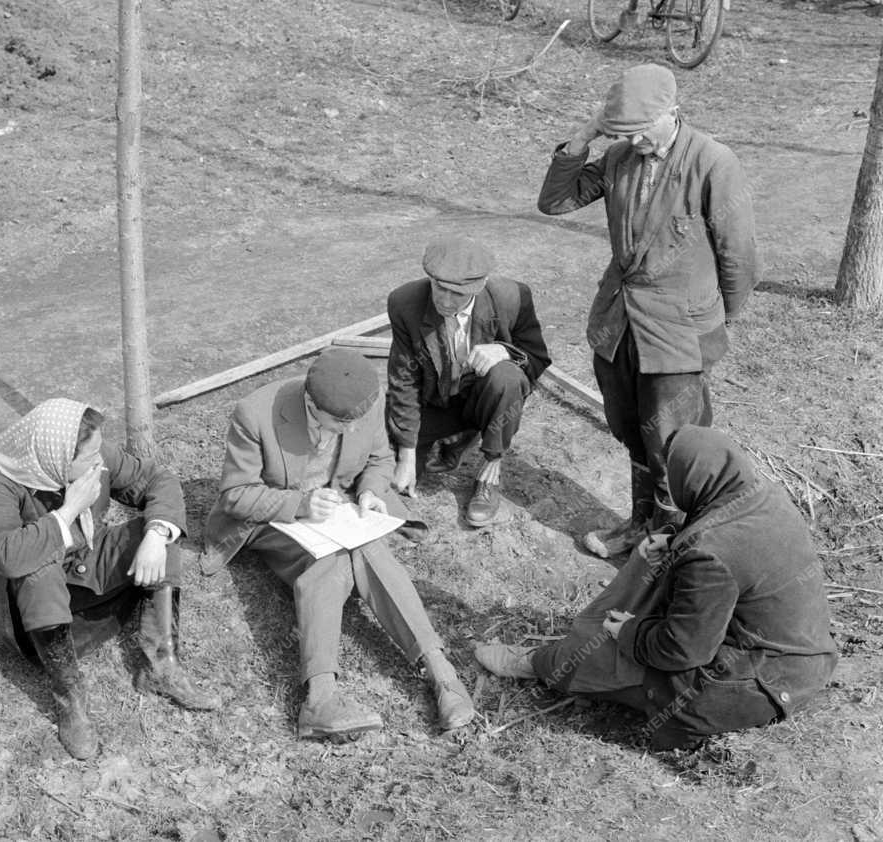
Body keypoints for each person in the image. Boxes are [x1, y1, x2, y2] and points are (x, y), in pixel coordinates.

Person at [474, 425, 837, 751]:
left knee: (598, 657)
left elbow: (681, 651)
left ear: (691, 481)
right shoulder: (764, 496)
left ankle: (538, 664)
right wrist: (678, 541)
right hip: (808, 658)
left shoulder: (711, 555)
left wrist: (628, 632)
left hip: (761, 684)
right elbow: (738, 551)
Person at [537, 63, 759, 558]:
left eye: (639, 129)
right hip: (620, 324)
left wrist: (715, 322)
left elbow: (737, 253)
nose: (633, 139)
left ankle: (678, 545)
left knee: (674, 444)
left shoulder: (712, 162)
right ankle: (642, 525)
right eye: (621, 130)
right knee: (632, 429)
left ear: (672, 114)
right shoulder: (617, 155)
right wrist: (588, 133)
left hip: (679, 332)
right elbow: (554, 202)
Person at [202, 349, 475, 740]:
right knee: (329, 561)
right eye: (337, 424)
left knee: (367, 549)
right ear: (310, 404)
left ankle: (441, 674)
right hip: (275, 516)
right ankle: (320, 698)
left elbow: (380, 458)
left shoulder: (365, 400)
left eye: (354, 423)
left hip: (338, 509)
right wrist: (299, 504)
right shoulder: (255, 413)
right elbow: (236, 494)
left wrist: (368, 490)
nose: (348, 431)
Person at [0, 398, 218, 760]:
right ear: (58, 456)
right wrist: (68, 512)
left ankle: (161, 664)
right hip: (4, 591)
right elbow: (8, 557)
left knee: (158, 533)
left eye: (98, 452)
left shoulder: (90, 450)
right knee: (37, 564)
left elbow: (158, 479)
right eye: (88, 458)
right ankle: (70, 697)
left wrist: (157, 535)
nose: (99, 462)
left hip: (75, 560)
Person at [386, 234, 551, 527]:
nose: (445, 301)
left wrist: (504, 350)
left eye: (457, 294)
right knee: (386, 463)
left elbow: (537, 360)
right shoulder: (405, 303)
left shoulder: (512, 298)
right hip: (436, 402)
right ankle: (454, 440)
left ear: (481, 285)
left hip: (486, 403)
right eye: (440, 288)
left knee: (507, 376)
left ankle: (490, 470)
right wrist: (406, 455)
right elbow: (403, 381)